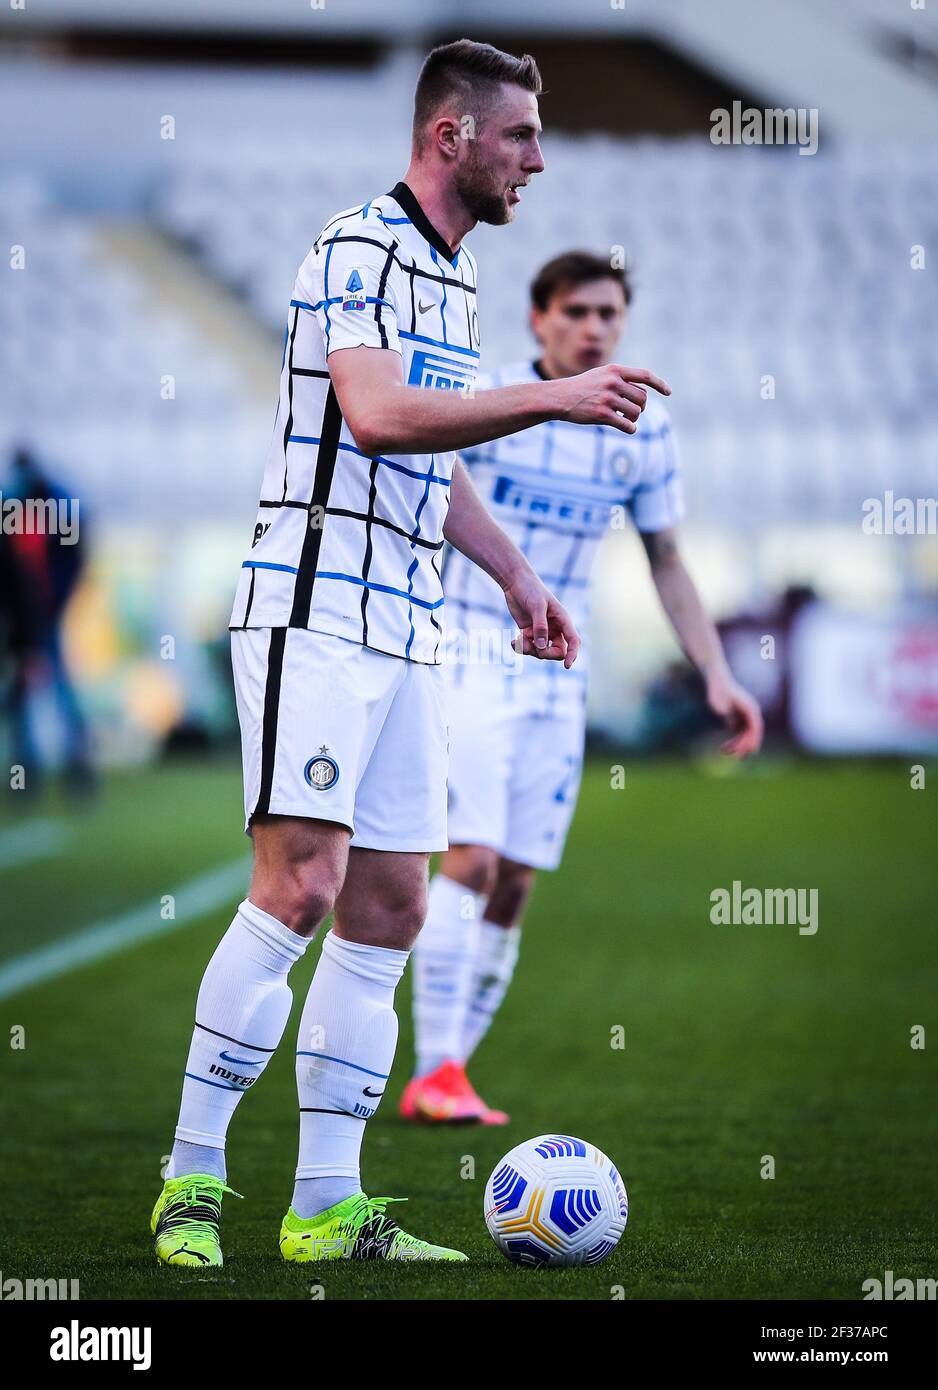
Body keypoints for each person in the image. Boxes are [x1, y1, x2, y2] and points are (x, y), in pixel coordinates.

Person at [151, 43, 670, 1267]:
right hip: (315, 596)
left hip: (409, 618)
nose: (536, 160)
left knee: (389, 902)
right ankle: (190, 1180)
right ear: (453, 137)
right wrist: (549, 396)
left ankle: (325, 1202)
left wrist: (519, 578)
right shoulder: (357, 249)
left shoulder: (455, 277)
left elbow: (424, 466)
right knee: (302, 885)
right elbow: (376, 414)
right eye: (521, 137)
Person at [403, 251, 763, 1125]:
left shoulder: (643, 430)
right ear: (538, 318)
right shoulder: (488, 399)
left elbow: (667, 560)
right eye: (576, 312)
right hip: (472, 647)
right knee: (473, 858)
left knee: (517, 881)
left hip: (562, 668)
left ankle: (452, 1071)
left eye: (609, 314)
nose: (594, 328)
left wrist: (717, 674)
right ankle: (433, 1068)